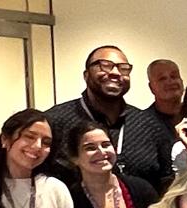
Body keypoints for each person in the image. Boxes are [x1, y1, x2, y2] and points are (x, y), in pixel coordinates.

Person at [45, 46, 171, 190]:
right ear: (86, 75)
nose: (116, 73)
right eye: (105, 66)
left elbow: (167, 181)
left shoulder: (148, 125)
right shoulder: (55, 121)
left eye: (123, 68)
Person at [145, 59, 184, 154]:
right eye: (162, 79)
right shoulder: (143, 124)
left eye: (174, 76)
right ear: (151, 87)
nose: (170, 82)